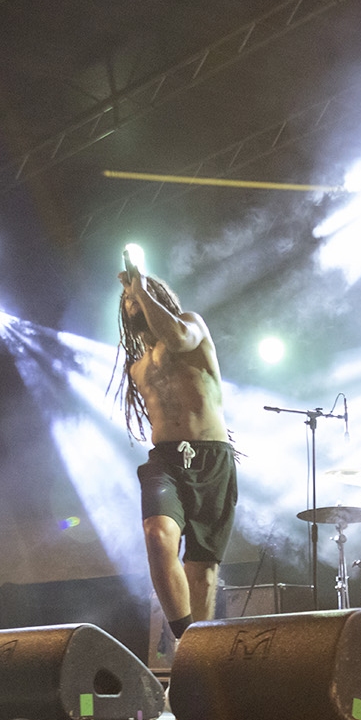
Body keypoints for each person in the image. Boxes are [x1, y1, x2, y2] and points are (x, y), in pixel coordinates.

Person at [114, 246, 237, 644]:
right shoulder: (137, 367)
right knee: (157, 533)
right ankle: (186, 641)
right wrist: (137, 290)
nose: (132, 300)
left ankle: (201, 651)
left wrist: (140, 287)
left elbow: (177, 337)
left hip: (211, 457)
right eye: (127, 298)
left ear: (157, 296)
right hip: (166, 461)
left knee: (201, 571)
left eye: (139, 294)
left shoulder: (191, 326)